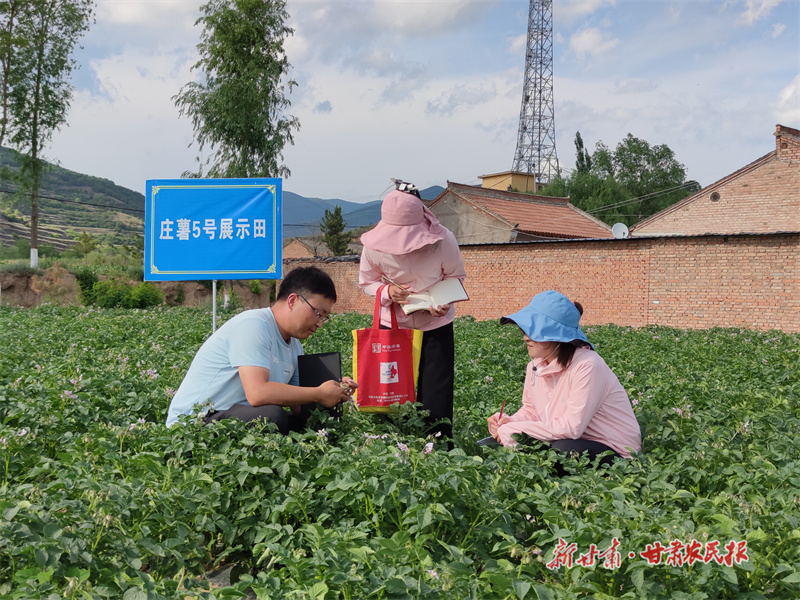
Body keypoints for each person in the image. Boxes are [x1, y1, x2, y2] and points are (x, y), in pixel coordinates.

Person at [166, 266, 356, 431]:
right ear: (292, 301)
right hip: (194, 423)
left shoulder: (295, 345)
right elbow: (257, 394)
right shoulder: (254, 325)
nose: (320, 323)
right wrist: (318, 393)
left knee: (308, 424)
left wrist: (335, 390)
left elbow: (299, 407)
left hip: (235, 416)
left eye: (324, 317)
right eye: (317, 313)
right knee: (272, 416)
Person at [359, 180, 466, 441]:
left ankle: (437, 443)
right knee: (391, 386)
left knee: (436, 387)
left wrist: (444, 303)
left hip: (435, 323)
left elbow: (455, 276)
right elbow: (367, 282)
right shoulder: (373, 246)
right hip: (393, 324)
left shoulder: (443, 240)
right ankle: (391, 441)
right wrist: (387, 293)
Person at [487, 290, 641, 468]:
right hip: (572, 438)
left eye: (533, 331)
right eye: (525, 330)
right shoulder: (534, 366)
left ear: (557, 335)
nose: (525, 337)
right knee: (546, 449)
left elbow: (571, 427)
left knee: (561, 451)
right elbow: (532, 410)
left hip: (613, 448)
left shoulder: (587, 366)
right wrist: (510, 422)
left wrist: (514, 432)